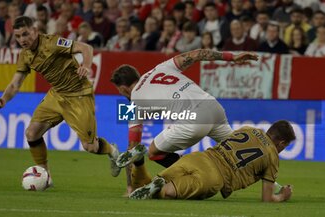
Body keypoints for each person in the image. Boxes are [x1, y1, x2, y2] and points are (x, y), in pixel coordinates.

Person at [110, 48, 258, 194]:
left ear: (123, 89)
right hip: (214, 107)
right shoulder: (160, 68)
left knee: (154, 152)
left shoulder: (134, 102)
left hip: (194, 120)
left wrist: (130, 186)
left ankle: (192, 173)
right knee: (239, 151)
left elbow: (132, 147)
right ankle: (275, 187)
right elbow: (198, 54)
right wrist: (232, 57)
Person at [0, 16, 121, 187]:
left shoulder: (53, 43)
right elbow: (15, 83)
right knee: (32, 133)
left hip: (78, 94)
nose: (22, 40)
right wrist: (4, 98)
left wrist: (87, 65)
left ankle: (112, 151)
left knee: (90, 147)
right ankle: (45, 177)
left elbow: (86, 47)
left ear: (35, 31)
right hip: (57, 95)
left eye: (25, 34)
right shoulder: (25, 55)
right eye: (18, 36)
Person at [130, 120, 295, 201]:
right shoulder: (272, 155)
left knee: (150, 185)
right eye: (285, 146)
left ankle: (139, 163)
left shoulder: (249, 129)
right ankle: (157, 187)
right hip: (214, 177)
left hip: (198, 157)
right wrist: (282, 197)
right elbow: (267, 198)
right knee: (166, 193)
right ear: (281, 143)